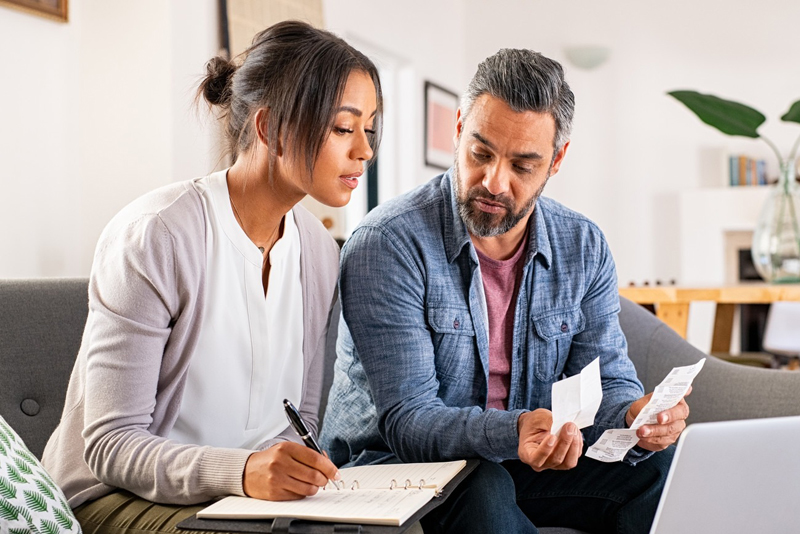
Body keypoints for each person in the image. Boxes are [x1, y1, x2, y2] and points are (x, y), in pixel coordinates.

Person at [320, 48, 689, 534]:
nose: (494, 181)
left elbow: (607, 379)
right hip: (393, 469)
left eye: (522, 165)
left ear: (556, 160)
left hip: (521, 459)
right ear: (458, 131)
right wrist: (514, 432)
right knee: (485, 485)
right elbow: (409, 421)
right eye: (481, 153)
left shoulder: (583, 245)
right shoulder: (388, 244)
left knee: (660, 469)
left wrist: (637, 416)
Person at [41, 20, 382, 533]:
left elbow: (300, 423)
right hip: (114, 498)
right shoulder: (157, 235)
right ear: (271, 128)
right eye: (342, 127)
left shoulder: (319, 253)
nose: (365, 151)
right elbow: (111, 445)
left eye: (369, 129)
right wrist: (242, 472)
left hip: (243, 504)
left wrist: (294, 475)